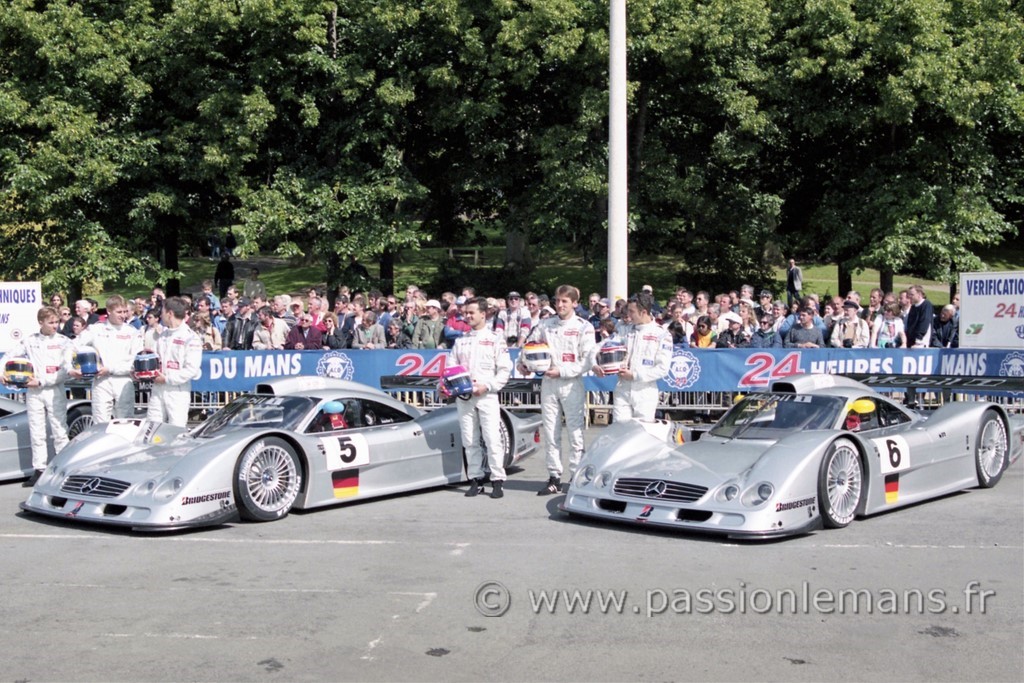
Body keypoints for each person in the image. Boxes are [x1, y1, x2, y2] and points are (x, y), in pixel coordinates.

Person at [519, 284, 595, 496]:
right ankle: (554, 477)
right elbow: (528, 347)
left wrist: (561, 370)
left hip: (571, 384)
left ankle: (576, 477)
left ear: (575, 304)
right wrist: (523, 364)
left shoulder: (584, 326)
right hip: (549, 385)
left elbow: (587, 360)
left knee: (575, 432)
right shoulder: (546, 324)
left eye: (565, 301)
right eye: (557, 301)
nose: (560, 305)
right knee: (551, 433)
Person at [0, 306, 74, 485]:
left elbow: (66, 370)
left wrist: (42, 381)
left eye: (57, 322)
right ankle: (39, 469)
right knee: (36, 430)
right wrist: (2, 371)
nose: (55, 325)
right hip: (33, 391)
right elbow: (9, 356)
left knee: (59, 430)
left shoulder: (64, 341)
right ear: (41, 322)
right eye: (51, 322)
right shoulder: (30, 340)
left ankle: (63, 469)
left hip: (54, 388)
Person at [447, 297, 512, 499]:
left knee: (492, 438)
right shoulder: (461, 340)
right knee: (469, 439)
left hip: (486, 395)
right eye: (465, 313)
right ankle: (475, 479)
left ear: (483, 314)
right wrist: (446, 387)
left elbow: (504, 370)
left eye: (471, 312)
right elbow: (450, 369)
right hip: (464, 396)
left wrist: (488, 386)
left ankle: (497, 479)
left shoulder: (495, 339)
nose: (467, 316)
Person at [597, 291, 673, 422]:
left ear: (643, 312)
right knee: (620, 432)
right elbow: (605, 345)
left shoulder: (662, 334)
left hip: (645, 391)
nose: (628, 315)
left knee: (642, 434)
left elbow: (662, 368)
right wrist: (595, 362)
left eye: (632, 312)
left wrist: (635, 375)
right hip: (622, 388)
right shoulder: (624, 329)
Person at [70, 295, 143, 423]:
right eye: (119, 312)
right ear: (109, 311)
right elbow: (73, 346)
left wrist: (111, 369)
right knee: (100, 422)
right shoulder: (96, 329)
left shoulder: (131, 331)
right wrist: (73, 368)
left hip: (124, 380)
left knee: (125, 422)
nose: (123, 315)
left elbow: (135, 361)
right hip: (101, 381)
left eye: (125, 312)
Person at [145, 297, 203, 427]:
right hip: (158, 389)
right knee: (151, 428)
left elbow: (191, 370)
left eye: (163, 312)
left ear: (170, 313)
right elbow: (155, 359)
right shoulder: (163, 335)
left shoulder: (191, 337)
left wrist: (167, 379)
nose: (161, 315)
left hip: (178, 391)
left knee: (176, 430)